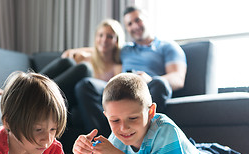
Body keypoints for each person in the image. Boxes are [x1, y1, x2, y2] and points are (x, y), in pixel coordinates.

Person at [73, 73, 249, 154]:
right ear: (106, 116)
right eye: (115, 120)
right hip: (185, 151)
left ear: (150, 112)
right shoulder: (117, 139)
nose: (123, 128)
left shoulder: (164, 129)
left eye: (133, 118)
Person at [75, 6, 187, 138]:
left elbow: (178, 78)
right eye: (129, 24)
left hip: (148, 87)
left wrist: (149, 79)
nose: (135, 26)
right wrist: (74, 52)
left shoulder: (167, 47)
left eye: (137, 20)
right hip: (121, 87)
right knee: (86, 85)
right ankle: (103, 142)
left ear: (146, 20)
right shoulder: (125, 49)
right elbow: (101, 47)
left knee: (160, 83)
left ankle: (144, 141)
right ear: (127, 29)